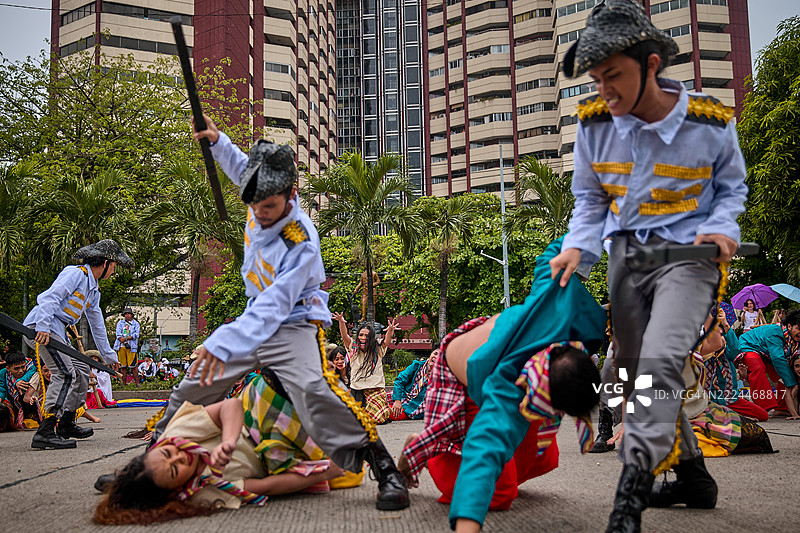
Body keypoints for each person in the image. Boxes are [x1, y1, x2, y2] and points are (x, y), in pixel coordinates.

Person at [143, 115, 408, 510]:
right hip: (255, 315)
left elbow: (274, 306)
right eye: (254, 205)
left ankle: (385, 468)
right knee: (195, 383)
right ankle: (149, 461)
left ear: (291, 193)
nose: (261, 213)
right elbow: (239, 166)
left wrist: (220, 342)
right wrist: (217, 141)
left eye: (268, 206)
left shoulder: (301, 240)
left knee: (316, 393)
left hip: (294, 323)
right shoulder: (259, 190)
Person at [551, 2, 749, 531]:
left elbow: (731, 189)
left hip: (689, 261)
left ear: (652, 64)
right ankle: (692, 475)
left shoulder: (709, 121)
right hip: (627, 263)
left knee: (660, 366)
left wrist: (723, 228)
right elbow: (589, 203)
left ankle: (629, 500)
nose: (604, 91)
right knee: (641, 377)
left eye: (613, 76)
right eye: (596, 79)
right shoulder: (594, 125)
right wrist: (577, 248)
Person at [400, 237, 606, 532]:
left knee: (541, 456)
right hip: (460, 372)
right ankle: (423, 447)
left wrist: (582, 243)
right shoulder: (506, 391)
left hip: (491, 342)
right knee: (498, 493)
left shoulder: (559, 318)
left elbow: (552, 254)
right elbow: (483, 453)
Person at [95, 372, 347, 524]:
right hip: (279, 453)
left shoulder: (176, 434)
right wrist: (326, 472)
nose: (179, 458)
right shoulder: (203, 493)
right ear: (175, 491)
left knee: (277, 374)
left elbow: (231, 407)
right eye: (174, 471)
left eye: (168, 453)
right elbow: (267, 487)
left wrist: (228, 440)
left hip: (255, 412)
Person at [23, 240, 129, 449]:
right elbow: (49, 298)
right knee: (65, 373)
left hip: (58, 329)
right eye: (114, 267)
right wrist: (43, 326)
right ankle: (45, 430)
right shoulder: (76, 273)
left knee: (81, 370)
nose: (113, 272)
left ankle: (66, 423)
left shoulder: (93, 290)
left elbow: (97, 324)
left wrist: (109, 356)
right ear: (106, 263)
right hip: (44, 326)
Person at [702, 308, 768, 421]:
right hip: (707, 400)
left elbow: (736, 350)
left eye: (722, 334)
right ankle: (731, 417)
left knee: (763, 415)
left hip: (730, 399)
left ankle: (731, 416)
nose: (720, 338)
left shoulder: (727, 353)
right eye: (715, 335)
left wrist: (725, 324)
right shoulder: (703, 354)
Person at [332, 314, 399, 424]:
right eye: (361, 335)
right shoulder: (353, 347)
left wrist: (390, 330)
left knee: (377, 419)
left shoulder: (378, 348)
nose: (363, 338)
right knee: (351, 420)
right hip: (357, 390)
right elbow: (344, 336)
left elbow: (386, 341)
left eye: (366, 336)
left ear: (371, 338)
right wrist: (341, 322)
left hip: (375, 390)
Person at [736, 309, 800, 418]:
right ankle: (763, 407)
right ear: (789, 326)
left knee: (782, 374)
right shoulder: (775, 332)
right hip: (748, 346)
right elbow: (778, 358)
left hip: (766, 353)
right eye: (799, 328)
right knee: (758, 367)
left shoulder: (792, 339)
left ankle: (781, 408)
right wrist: (792, 383)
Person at [390, 346, 439, 420]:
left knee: (385, 414)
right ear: (430, 355)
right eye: (435, 354)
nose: (436, 357)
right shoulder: (417, 366)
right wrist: (397, 400)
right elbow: (399, 380)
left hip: (414, 408)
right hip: (402, 396)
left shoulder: (441, 377)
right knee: (377, 403)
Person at [0, 351, 39, 431]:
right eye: (16, 368)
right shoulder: (3, 373)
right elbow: (2, 389)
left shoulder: (31, 367)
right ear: (8, 368)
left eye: (22, 367)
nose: (21, 371)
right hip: (13, 403)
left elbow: (31, 371)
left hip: (31, 403)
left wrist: (20, 381)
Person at [114, 308, 141, 386]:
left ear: (132, 315)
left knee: (133, 365)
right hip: (121, 346)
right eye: (125, 314)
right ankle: (124, 383)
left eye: (128, 314)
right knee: (123, 366)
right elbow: (118, 333)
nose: (127, 315)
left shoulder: (136, 324)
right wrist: (121, 338)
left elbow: (136, 335)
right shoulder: (120, 323)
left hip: (131, 347)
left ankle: (137, 383)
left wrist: (126, 338)